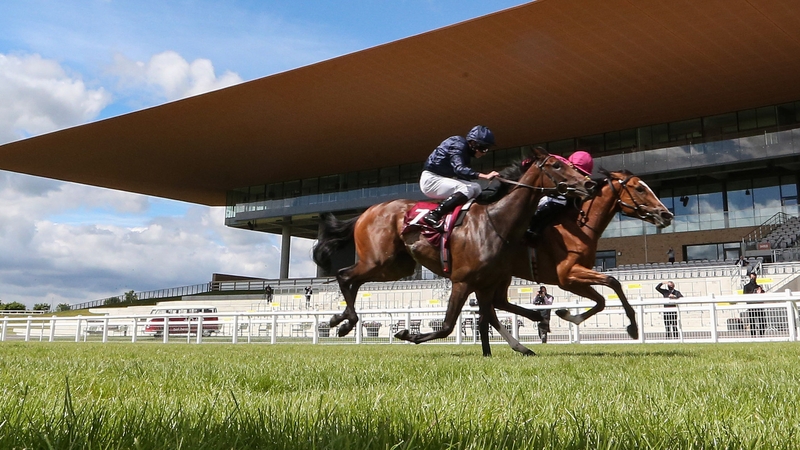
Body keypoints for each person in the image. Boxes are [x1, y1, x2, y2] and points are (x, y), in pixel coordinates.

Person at [420, 125, 500, 231]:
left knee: (476, 187)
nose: (484, 153)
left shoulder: (465, 151)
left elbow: (463, 176)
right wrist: (484, 176)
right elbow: (459, 169)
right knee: (466, 189)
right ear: (473, 144)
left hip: (442, 178)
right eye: (483, 149)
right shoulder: (458, 143)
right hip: (431, 180)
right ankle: (434, 215)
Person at [526, 150, 594, 239]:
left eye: (583, 173)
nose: (580, 175)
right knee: (553, 203)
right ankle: (531, 228)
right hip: (539, 192)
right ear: (571, 165)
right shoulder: (558, 161)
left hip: (555, 194)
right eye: (579, 171)